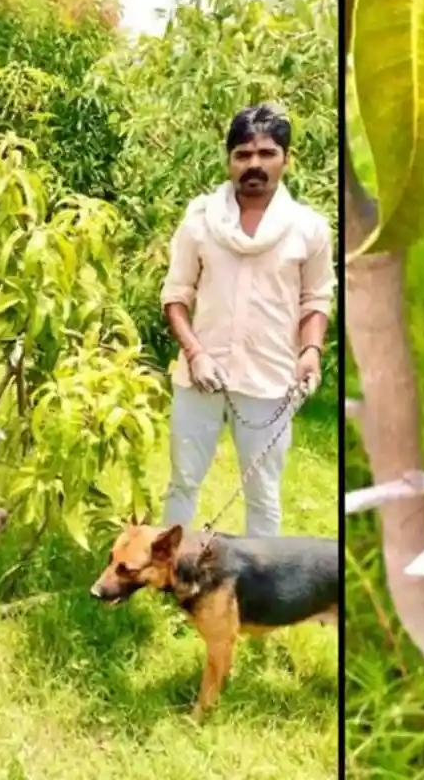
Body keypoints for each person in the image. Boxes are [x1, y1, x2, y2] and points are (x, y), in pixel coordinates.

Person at [159, 102, 335, 538]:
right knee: (182, 482)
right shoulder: (200, 220)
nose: (254, 164)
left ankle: (261, 595)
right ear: (229, 161)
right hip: (200, 376)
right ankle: (171, 577)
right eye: (242, 155)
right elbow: (175, 296)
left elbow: (316, 298)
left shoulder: (308, 229)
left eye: (266, 153)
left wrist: (310, 351)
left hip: (270, 381)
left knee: (264, 494)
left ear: (286, 159)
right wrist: (194, 353)